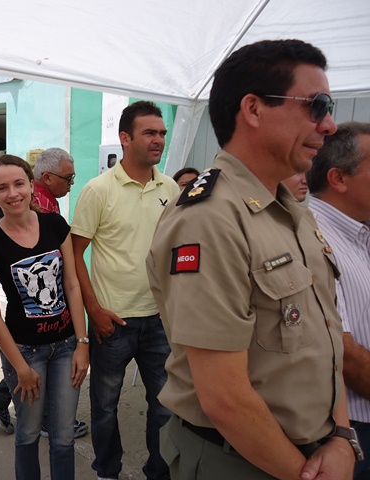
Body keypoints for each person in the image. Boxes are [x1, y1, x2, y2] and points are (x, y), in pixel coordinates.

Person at [146, 39, 359, 479]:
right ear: (254, 109)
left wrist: (341, 437)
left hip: (312, 450)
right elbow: (224, 398)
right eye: (317, 105)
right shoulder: (208, 219)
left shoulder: (292, 211)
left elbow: (327, 340)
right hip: (240, 462)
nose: (329, 124)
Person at [71, 100, 179, 480]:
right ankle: (107, 470)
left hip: (160, 320)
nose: (158, 140)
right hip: (112, 321)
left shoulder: (170, 187)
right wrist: (94, 310)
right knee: (104, 406)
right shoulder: (98, 190)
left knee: (164, 406)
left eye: (162, 133)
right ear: (125, 138)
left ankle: (158, 471)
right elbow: (75, 253)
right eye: (149, 132)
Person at [0, 154, 89, 480]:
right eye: (2, 188)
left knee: (63, 435)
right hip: (24, 352)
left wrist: (82, 343)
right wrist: (21, 368)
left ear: (31, 185)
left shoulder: (55, 225)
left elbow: (72, 284)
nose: (13, 193)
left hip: (66, 347)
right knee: (27, 434)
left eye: (18, 184)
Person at [307, 121, 370, 479]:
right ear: (339, 179)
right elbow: (342, 353)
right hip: (352, 426)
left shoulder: (360, 231)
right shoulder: (316, 238)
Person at [32, 147, 76, 214]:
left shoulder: (43, 200)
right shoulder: (42, 206)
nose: (72, 182)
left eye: (72, 176)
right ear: (47, 178)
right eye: (68, 177)